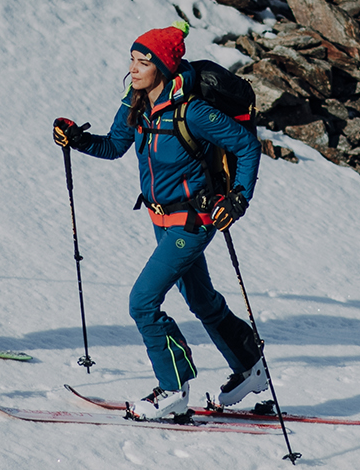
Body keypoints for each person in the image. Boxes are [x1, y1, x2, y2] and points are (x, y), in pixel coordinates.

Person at [55, 25, 267, 422]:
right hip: (160, 219)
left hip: (193, 221)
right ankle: (250, 364)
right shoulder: (134, 105)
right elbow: (114, 146)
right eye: (132, 60)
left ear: (164, 67)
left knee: (142, 302)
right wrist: (77, 140)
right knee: (201, 300)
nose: (133, 69)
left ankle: (173, 389)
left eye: (143, 61)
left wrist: (238, 199)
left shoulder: (193, 112)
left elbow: (246, 145)